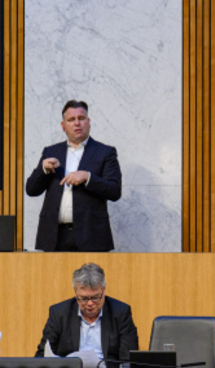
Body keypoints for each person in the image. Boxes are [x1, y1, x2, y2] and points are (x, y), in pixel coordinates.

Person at [26, 100, 122, 251]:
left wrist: (88, 177)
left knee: (91, 276)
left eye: (81, 118)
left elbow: (115, 191)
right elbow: (31, 190)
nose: (77, 123)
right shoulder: (51, 152)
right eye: (71, 120)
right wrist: (42, 170)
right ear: (63, 126)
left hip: (91, 235)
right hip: (55, 237)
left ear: (88, 122)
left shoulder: (105, 152)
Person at [35, 263, 138, 362]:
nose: (90, 303)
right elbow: (42, 355)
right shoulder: (59, 313)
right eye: (84, 298)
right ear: (75, 292)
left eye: (95, 297)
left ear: (104, 290)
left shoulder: (121, 313)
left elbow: (128, 360)